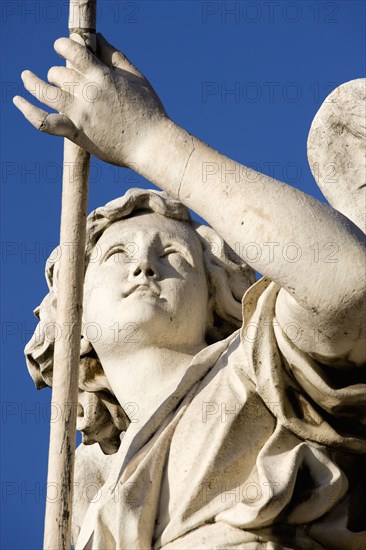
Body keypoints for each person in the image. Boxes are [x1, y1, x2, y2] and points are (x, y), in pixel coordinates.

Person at [16, 35, 365, 549]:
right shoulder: (89, 503)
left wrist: (147, 140)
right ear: (75, 313)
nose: (145, 266)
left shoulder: (255, 371)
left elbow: (344, 284)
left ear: (215, 297)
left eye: (175, 256)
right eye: (116, 256)